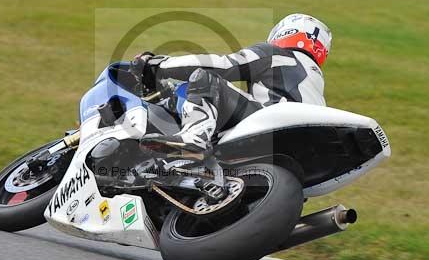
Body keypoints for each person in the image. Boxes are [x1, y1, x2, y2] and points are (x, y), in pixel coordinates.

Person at [133, 13, 332, 155]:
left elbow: (223, 66)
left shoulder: (276, 54)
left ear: (285, 32)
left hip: (269, 127)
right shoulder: (316, 79)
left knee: (205, 79)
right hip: (305, 148)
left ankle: (194, 137)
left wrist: (159, 65)